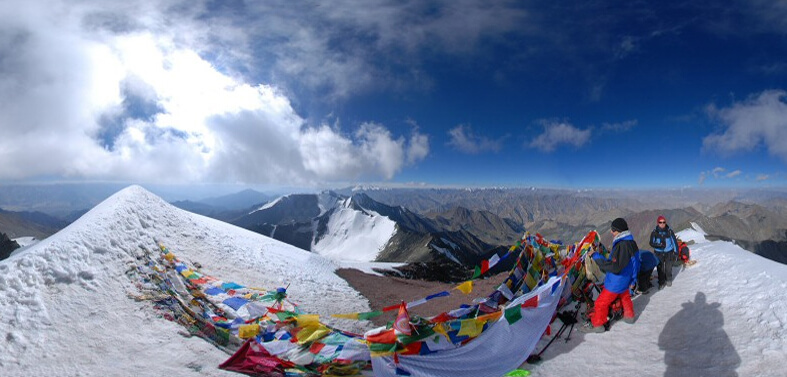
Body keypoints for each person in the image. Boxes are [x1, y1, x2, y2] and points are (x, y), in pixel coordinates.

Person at [580, 217, 638, 333]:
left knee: (601, 303)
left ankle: (598, 325)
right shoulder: (632, 242)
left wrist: (596, 256)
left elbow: (614, 267)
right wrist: (633, 279)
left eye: (613, 230)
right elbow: (636, 262)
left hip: (616, 282)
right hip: (626, 279)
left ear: (619, 231)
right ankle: (629, 316)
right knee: (625, 297)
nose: (611, 232)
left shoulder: (621, 246)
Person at [649, 215, 678, 289]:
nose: (662, 224)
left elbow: (674, 242)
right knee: (660, 269)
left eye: (663, 222)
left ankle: (668, 279)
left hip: (669, 252)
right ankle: (661, 282)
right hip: (659, 253)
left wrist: (676, 253)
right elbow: (651, 243)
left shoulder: (669, 231)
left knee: (668, 268)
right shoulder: (655, 232)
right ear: (657, 223)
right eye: (660, 222)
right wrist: (659, 245)